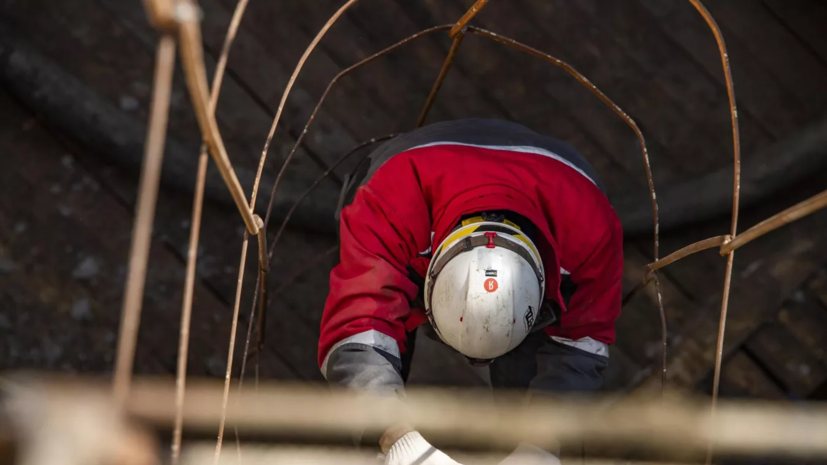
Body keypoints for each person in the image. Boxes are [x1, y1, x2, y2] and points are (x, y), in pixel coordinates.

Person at [318, 119, 623, 465]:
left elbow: (580, 342)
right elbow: (357, 330)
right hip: (407, 181)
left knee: (530, 398)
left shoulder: (590, 229)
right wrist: (396, 439)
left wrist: (543, 446)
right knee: (367, 402)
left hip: (558, 188)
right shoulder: (388, 204)